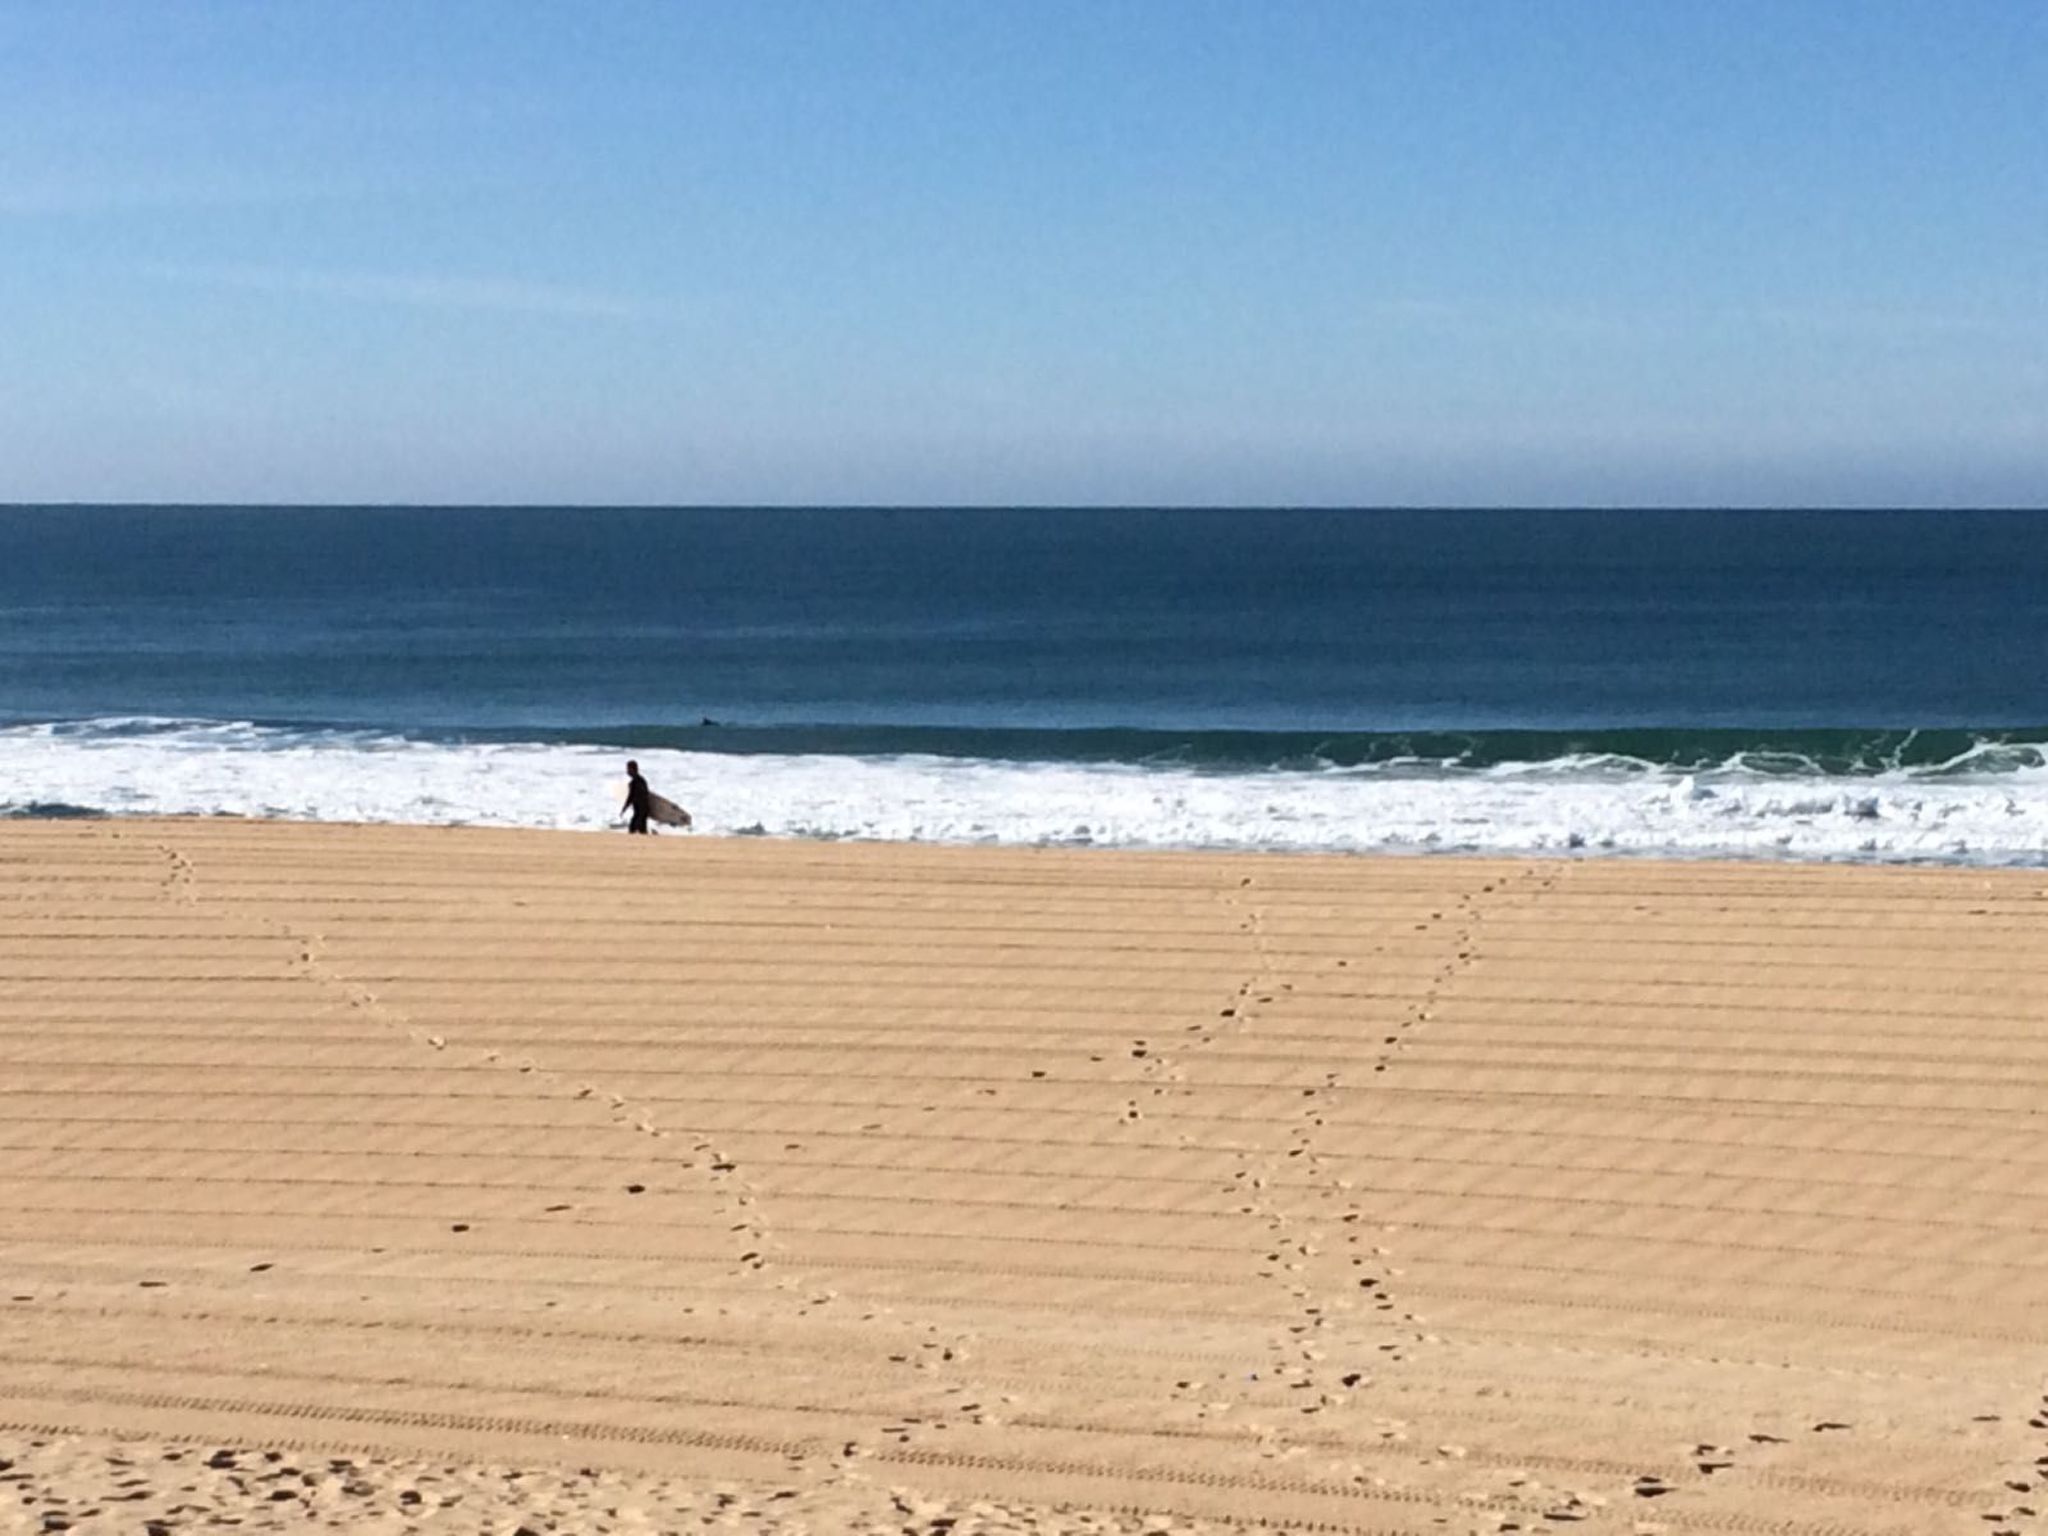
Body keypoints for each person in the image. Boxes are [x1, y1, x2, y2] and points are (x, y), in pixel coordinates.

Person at [621, 759, 652, 834]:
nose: (627, 771)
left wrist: (625, 807)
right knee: (639, 830)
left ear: (633, 769)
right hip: (640, 811)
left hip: (641, 811)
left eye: (628, 769)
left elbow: (632, 796)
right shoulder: (641, 781)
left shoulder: (637, 782)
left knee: (634, 829)